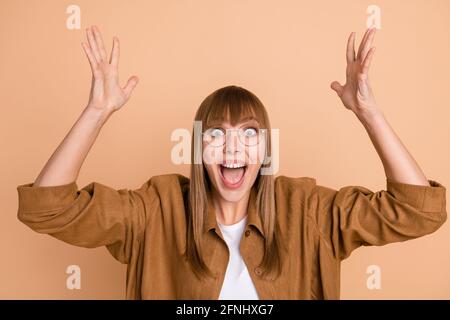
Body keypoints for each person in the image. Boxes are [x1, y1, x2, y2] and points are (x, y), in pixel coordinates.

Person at [17, 26, 447, 300]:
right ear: (198, 149)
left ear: (264, 151)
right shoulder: (156, 209)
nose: (233, 148)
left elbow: (418, 212)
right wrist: (96, 112)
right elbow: (47, 208)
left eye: (249, 132)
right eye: (217, 134)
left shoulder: (308, 210)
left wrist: (368, 112)